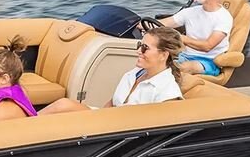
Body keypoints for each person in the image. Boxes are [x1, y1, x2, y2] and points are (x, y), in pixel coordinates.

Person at [39, 26, 185, 114]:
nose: (138, 51)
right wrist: (100, 117)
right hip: (107, 120)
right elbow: (113, 103)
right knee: (63, 106)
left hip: (121, 135)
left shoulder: (168, 92)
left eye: (145, 48)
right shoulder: (135, 73)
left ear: (163, 55)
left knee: (64, 106)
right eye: (139, 45)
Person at [158, 0, 232, 76]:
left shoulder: (224, 17)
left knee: (183, 68)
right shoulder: (190, 12)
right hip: (185, 56)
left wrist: (181, 38)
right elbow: (163, 23)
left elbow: (207, 46)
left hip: (211, 61)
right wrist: (141, 24)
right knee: (155, 62)